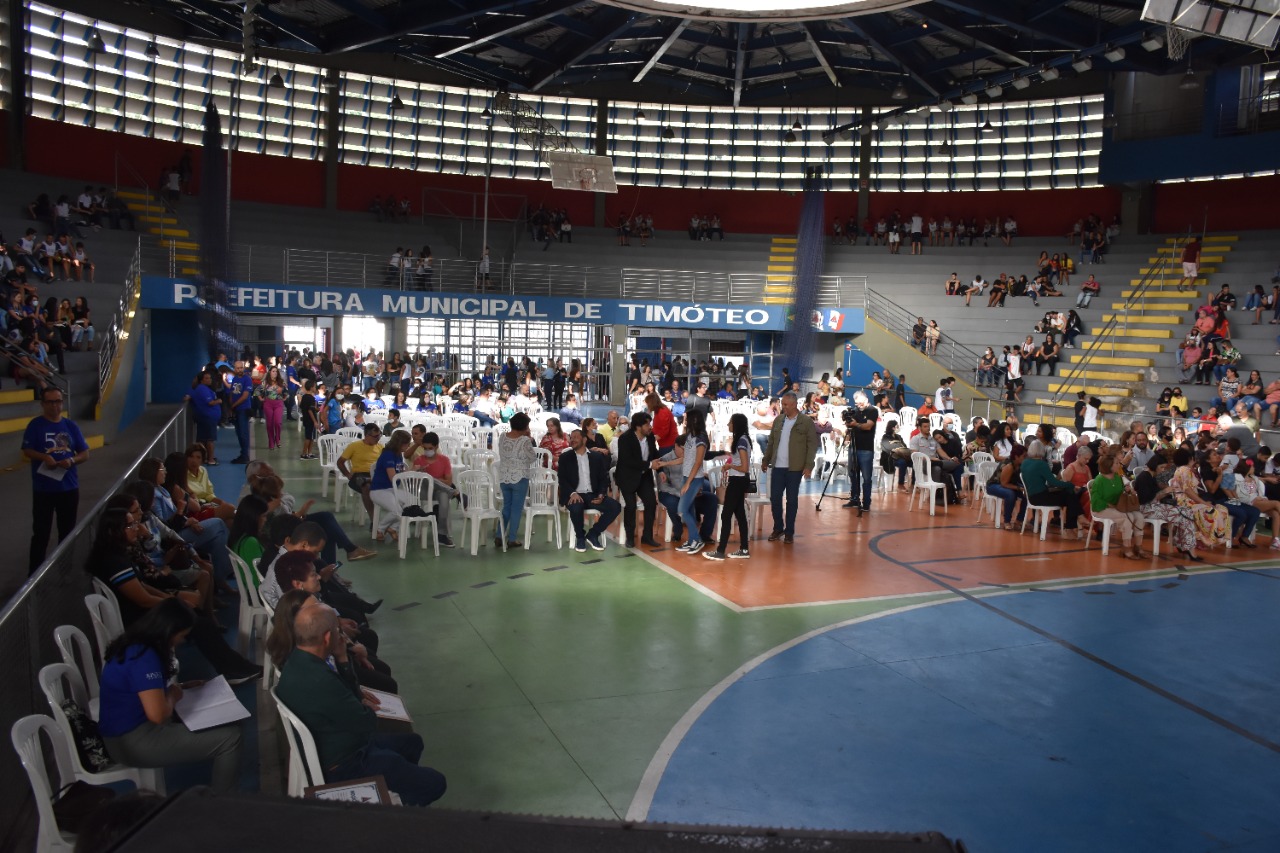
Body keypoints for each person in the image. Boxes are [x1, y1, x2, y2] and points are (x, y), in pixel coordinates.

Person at [276, 604, 446, 806]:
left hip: (335, 744)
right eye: (337, 630)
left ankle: (401, 782)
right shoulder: (321, 680)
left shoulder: (297, 661)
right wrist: (362, 703)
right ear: (328, 638)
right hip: (347, 763)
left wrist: (342, 659)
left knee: (412, 742)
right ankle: (396, 806)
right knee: (435, 783)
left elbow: (352, 701)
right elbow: (366, 722)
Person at [97, 598, 244, 794]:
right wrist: (174, 694)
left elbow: (141, 691)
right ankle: (221, 801)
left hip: (122, 734)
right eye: (181, 635)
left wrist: (182, 687)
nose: (181, 641)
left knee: (226, 721)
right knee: (231, 738)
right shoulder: (145, 657)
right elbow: (158, 715)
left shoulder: (135, 643)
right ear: (168, 631)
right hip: (133, 742)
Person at [23, 385, 89, 573]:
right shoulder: (35, 425)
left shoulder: (70, 426)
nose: (55, 406)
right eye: (50, 402)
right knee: (41, 534)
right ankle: (34, 574)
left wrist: (71, 460)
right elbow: (27, 450)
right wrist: (44, 457)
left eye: (58, 401)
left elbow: (85, 454)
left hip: (68, 488)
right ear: (43, 404)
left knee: (67, 533)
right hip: (43, 489)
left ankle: (64, 570)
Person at [762, 392, 818, 544]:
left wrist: (808, 466)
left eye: (786, 405)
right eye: (782, 404)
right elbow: (771, 442)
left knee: (792, 500)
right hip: (778, 466)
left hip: (795, 468)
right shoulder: (779, 420)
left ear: (794, 405)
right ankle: (778, 527)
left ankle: (789, 532)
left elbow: (812, 445)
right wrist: (766, 460)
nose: (783, 407)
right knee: (775, 498)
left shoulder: (806, 422)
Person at [558, 428, 621, 552]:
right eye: (571, 437)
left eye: (576, 437)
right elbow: (562, 479)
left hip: (592, 494)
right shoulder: (565, 457)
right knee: (576, 507)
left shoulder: (596, 457)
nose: (573, 440)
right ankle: (580, 537)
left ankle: (593, 534)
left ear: (584, 439)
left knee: (615, 507)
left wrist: (602, 494)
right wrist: (572, 493)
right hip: (575, 494)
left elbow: (603, 478)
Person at [704, 413, 753, 561]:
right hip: (738, 480)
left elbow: (744, 467)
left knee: (726, 515)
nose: (728, 425)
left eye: (730, 422)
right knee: (740, 515)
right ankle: (744, 549)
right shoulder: (743, 440)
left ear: (736, 424)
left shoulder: (741, 442)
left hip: (738, 481)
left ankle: (720, 551)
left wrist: (729, 465)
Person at [1089, 452, 1148, 560]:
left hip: (1117, 507)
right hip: (1102, 508)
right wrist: (1110, 505)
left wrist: (1127, 491)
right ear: (1108, 465)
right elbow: (1096, 500)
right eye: (1116, 463)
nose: (1119, 465)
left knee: (1139, 516)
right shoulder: (1099, 480)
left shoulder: (1117, 478)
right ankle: (1126, 547)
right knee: (1126, 517)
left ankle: (1138, 546)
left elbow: (1119, 495)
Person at [614, 411, 659, 548]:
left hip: (644, 476)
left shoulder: (650, 437)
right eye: (647, 424)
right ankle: (629, 537)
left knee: (651, 503)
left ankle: (647, 536)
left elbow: (655, 454)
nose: (650, 427)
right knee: (631, 505)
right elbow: (628, 461)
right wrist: (650, 465)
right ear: (638, 426)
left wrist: (661, 469)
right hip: (627, 476)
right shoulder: (625, 439)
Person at [1021, 440, 1083, 537]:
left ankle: (1076, 520)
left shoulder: (1025, 463)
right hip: (1041, 497)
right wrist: (1070, 485)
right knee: (1069, 495)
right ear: (1042, 450)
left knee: (1068, 494)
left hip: (1031, 497)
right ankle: (1072, 524)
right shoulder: (1041, 464)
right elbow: (1053, 482)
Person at [497, 412, 535, 548]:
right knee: (516, 509)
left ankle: (499, 534)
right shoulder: (524, 441)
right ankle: (512, 538)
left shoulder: (502, 437)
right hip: (520, 477)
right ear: (524, 426)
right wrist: (529, 438)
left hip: (504, 477)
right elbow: (532, 458)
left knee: (506, 506)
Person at [369, 430, 410, 544]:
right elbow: (393, 478)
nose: (408, 446)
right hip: (379, 490)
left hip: (392, 489)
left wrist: (413, 471)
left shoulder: (398, 455)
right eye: (407, 444)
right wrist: (409, 473)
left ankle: (393, 528)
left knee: (412, 502)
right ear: (400, 443)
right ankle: (380, 529)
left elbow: (402, 471)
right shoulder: (388, 455)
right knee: (397, 511)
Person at [337, 422, 383, 523]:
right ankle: (374, 520)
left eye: (380, 435)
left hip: (374, 475)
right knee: (366, 487)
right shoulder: (354, 446)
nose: (378, 438)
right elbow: (340, 462)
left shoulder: (380, 447)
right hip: (359, 475)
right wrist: (348, 475)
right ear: (367, 435)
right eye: (376, 436)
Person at [842, 391, 878, 515]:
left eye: (860, 403)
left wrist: (855, 424)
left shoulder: (872, 411)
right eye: (856, 404)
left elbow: (868, 426)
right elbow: (850, 426)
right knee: (853, 474)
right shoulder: (855, 411)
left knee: (866, 478)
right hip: (854, 447)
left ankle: (866, 502)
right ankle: (854, 499)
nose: (858, 406)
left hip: (866, 448)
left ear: (866, 399)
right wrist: (848, 423)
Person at [226, 360, 253, 464]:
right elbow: (232, 393)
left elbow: (245, 396)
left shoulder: (247, 379)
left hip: (243, 409)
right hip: (236, 409)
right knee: (238, 432)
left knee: (243, 432)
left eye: (241, 368)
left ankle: (245, 455)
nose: (239, 370)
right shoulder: (235, 379)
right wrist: (231, 407)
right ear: (234, 369)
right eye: (237, 368)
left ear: (243, 368)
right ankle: (243, 454)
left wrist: (233, 405)